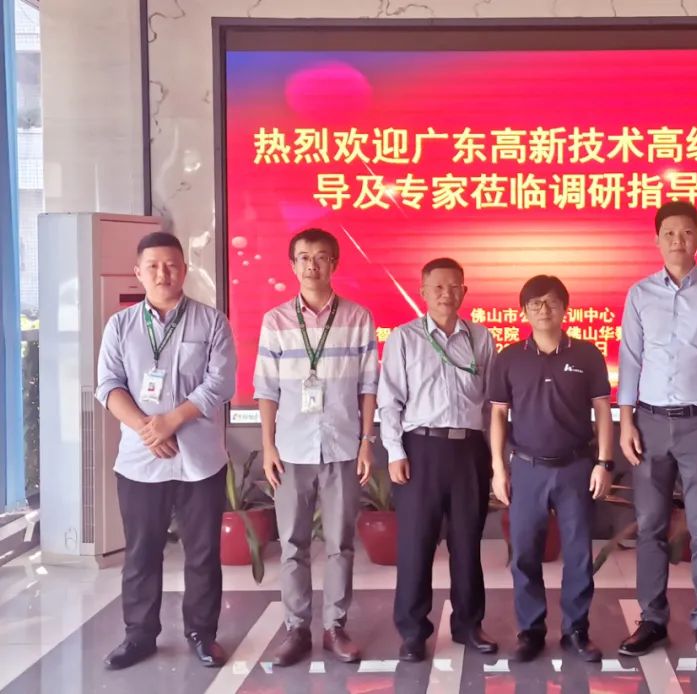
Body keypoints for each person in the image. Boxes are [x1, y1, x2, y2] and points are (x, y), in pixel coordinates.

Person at [95, 231, 237, 670]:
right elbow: (108, 386)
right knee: (141, 552)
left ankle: (202, 633)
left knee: (202, 554)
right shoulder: (120, 326)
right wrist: (147, 429)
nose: (163, 273)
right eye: (153, 266)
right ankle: (139, 635)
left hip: (200, 460)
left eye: (171, 265)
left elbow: (221, 383)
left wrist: (170, 422)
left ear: (184, 270)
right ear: (138, 272)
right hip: (141, 462)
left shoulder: (211, 322)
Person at [617, 201, 697, 667]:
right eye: (669, 232)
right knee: (650, 526)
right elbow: (630, 359)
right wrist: (626, 421)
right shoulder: (639, 294)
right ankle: (652, 620)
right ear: (657, 239)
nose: (678, 240)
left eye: (687, 232)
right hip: (649, 423)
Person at [253, 227, 378, 667]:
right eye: (304, 257)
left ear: (334, 264)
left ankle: (335, 627)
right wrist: (267, 446)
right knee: (293, 542)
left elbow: (368, 386)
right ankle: (296, 629)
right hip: (290, 450)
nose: (312, 265)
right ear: (292, 265)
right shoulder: (275, 321)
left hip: (342, 446)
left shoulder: (358, 318)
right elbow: (266, 389)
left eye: (321, 257)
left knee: (341, 543)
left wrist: (367, 442)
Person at [489, 275, 615, 664]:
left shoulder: (588, 354)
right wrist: (498, 468)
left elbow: (602, 412)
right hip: (527, 469)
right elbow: (498, 415)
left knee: (578, 555)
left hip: (576, 467)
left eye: (551, 302)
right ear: (523, 311)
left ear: (565, 308)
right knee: (525, 554)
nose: (544, 310)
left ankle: (576, 631)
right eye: (535, 303)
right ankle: (530, 631)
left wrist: (604, 462)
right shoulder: (509, 358)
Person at [377, 257, 497, 662]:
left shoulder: (481, 338)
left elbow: (491, 405)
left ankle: (469, 624)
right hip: (420, 450)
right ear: (423, 292)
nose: (447, 294)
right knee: (416, 544)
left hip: (469, 451)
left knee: (468, 542)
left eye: (454, 286)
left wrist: (495, 457)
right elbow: (390, 401)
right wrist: (395, 452)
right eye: (438, 287)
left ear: (465, 291)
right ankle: (413, 632)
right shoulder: (404, 338)